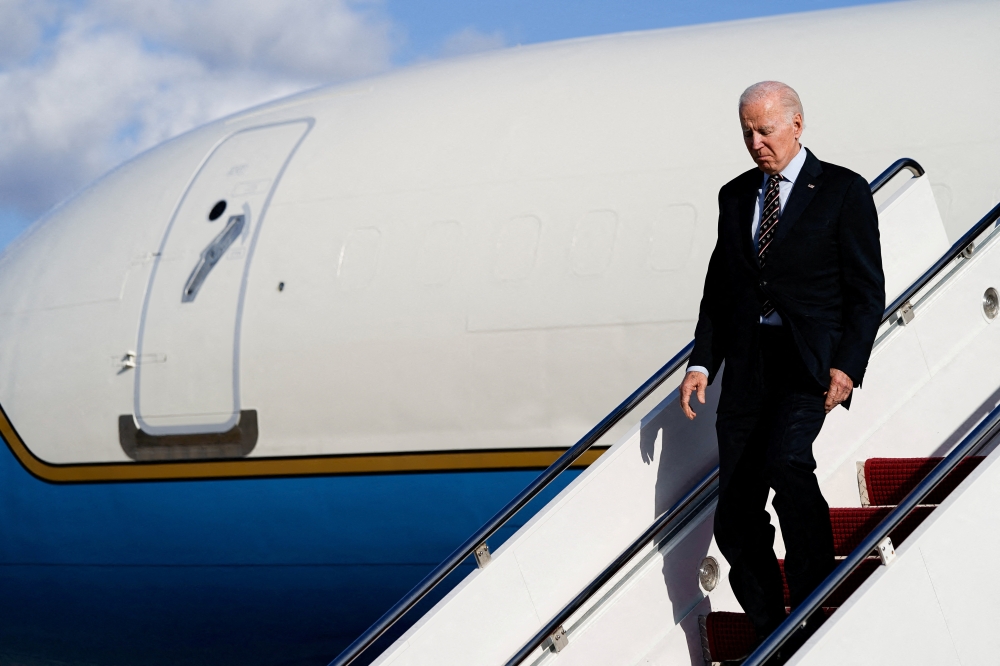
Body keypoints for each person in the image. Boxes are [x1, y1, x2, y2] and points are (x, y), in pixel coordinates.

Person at [679, 81, 885, 655]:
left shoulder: (842, 191)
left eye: (765, 130)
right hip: (747, 364)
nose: (756, 143)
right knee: (735, 514)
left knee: (786, 462)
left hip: (808, 362)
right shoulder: (735, 194)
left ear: (797, 125)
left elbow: (867, 291)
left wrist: (848, 365)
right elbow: (721, 289)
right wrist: (701, 362)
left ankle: (817, 597)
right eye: (747, 131)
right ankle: (775, 631)